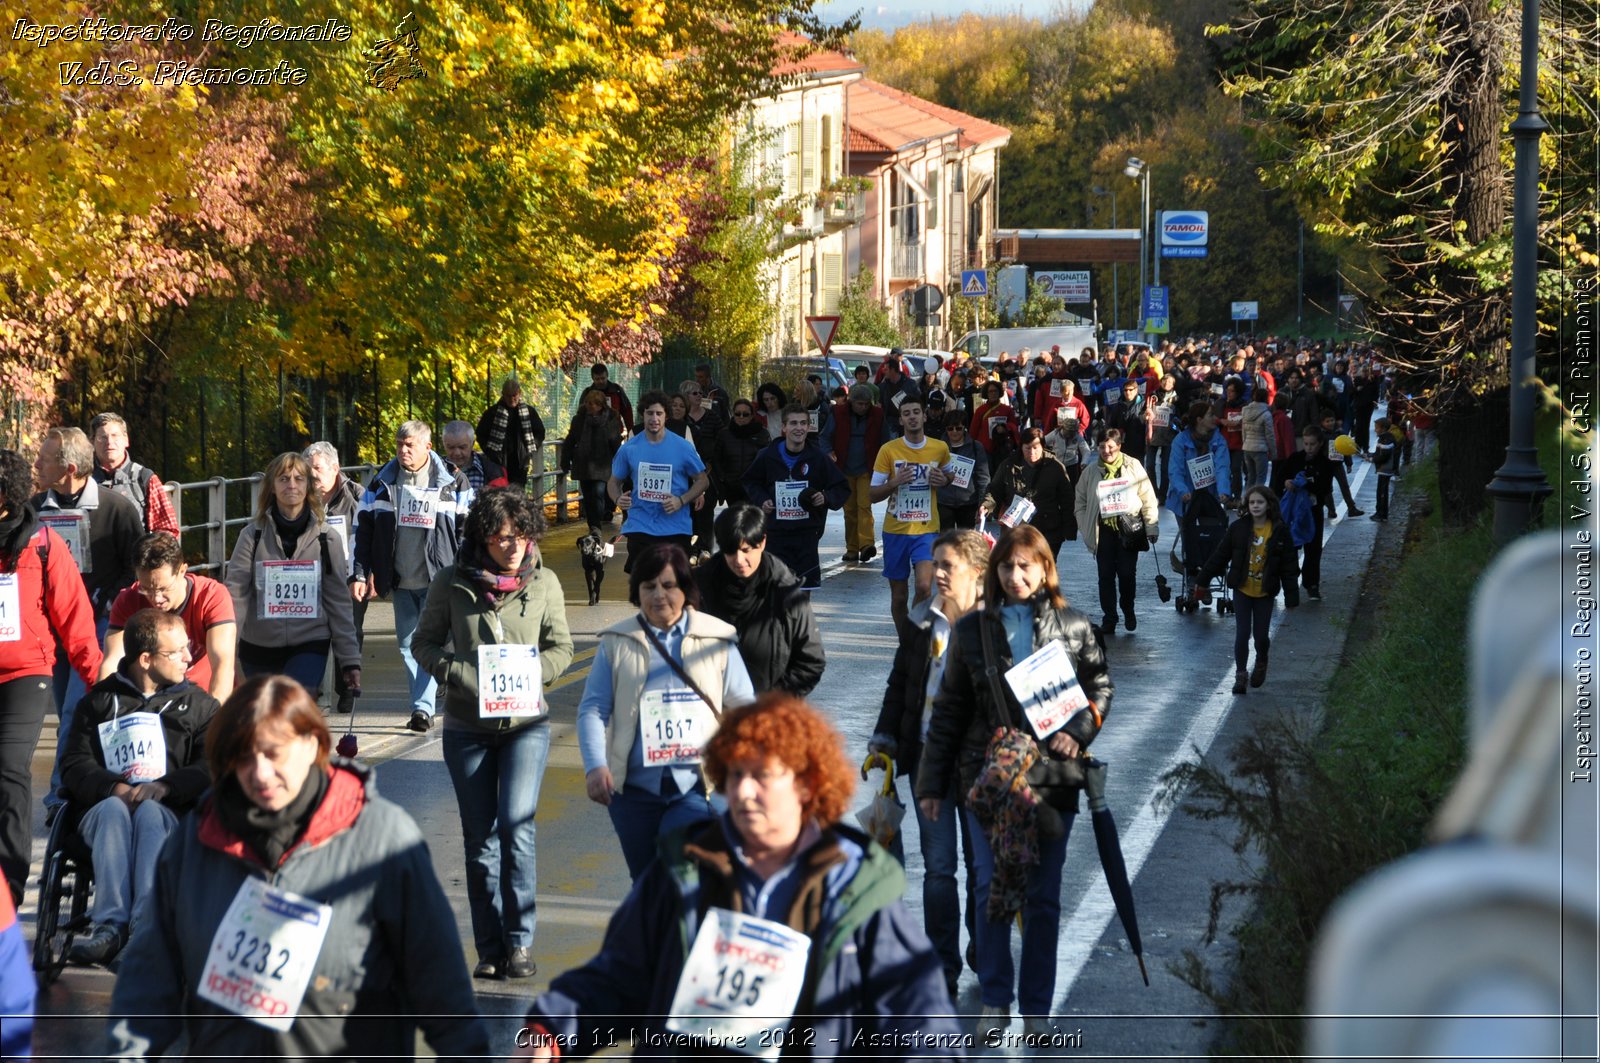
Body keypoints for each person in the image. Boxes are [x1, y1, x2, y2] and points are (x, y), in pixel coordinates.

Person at [519, 694, 961, 1060]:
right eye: (735, 776)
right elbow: (618, 977)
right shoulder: (686, 869)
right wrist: (549, 1031)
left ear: (806, 786)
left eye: (762, 777)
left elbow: (919, 1020)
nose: (744, 792)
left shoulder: (854, 885)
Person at [106, 675, 490, 1059]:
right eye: (243, 756)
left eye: (274, 753)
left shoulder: (384, 839)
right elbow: (149, 980)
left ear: (312, 746)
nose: (259, 772)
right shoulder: (196, 840)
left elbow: (440, 982)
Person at [917, 525, 1113, 1038]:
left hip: (1051, 778)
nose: (1016, 575)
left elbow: (1100, 684)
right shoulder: (971, 631)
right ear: (994, 572)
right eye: (1007, 566)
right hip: (989, 778)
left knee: (1043, 898)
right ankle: (996, 1002)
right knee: (989, 890)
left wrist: (1080, 729)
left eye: (1027, 565)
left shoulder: (1074, 625)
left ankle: (1037, 1011)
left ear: (1046, 569)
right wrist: (931, 786)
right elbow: (949, 713)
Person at [413, 488, 574, 981]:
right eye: (503, 538)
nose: (513, 547)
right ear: (483, 538)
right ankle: (489, 947)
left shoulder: (544, 583)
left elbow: (561, 647)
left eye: (521, 537)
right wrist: (457, 672)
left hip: (526, 727)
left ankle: (521, 942)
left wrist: (534, 672)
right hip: (467, 728)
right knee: (480, 840)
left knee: (517, 828)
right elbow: (423, 643)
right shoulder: (451, 582)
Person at [576, 544, 754, 879]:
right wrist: (595, 765)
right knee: (646, 886)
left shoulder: (716, 638)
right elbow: (593, 709)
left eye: (669, 586)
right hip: (633, 793)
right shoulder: (617, 642)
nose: (659, 595)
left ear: (685, 589)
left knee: (683, 877)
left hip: (698, 788)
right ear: (637, 591)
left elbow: (745, 707)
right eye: (648, 587)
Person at [60, 608, 219, 966]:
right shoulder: (98, 703)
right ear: (145, 659)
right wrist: (112, 788)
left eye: (186, 647)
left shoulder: (200, 707)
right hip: (104, 813)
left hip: (170, 813)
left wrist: (165, 787)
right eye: (176, 651)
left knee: (148, 811)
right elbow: (74, 764)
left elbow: (210, 766)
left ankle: (146, 929)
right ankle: (109, 928)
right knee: (117, 810)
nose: (188, 657)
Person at [870, 529, 987, 1000]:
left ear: (978, 575)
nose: (936, 574)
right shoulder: (922, 623)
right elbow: (900, 684)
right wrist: (884, 741)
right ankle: (944, 965)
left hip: (980, 769)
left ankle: (985, 943)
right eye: (935, 564)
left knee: (983, 868)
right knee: (939, 869)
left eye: (947, 567)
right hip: (926, 766)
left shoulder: (999, 629)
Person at [0, 448, 100, 905]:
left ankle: (10, 881)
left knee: (8, 770)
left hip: (25, 672)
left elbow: (75, 618)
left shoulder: (42, 543)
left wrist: (97, 680)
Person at [33, 425, 142, 820]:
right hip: (50, 625)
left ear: (70, 468)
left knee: (78, 707)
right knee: (66, 712)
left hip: (97, 625)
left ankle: (60, 795)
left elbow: (136, 564)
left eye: (45, 459)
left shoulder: (117, 509)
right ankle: (88, 780)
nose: (37, 464)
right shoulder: (35, 509)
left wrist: (108, 596)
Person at [354, 421, 472, 732]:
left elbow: (468, 533)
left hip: (439, 579)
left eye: (410, 445)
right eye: (399, 444)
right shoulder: (382, 481)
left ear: (427, 447)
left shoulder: (453, 482)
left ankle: (422, 708)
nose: (403, 450)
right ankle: (424, 701)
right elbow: (363, 530)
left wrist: (466, 574)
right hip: (400, 580)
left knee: (429, 643)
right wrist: (360, 572)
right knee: (408, 646)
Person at [225, 452, 363, 700]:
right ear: (272, 487)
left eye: (299, 479)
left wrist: (350, 660)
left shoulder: (327, 538)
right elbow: (236, 594)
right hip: (258, 646)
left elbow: (338, 601)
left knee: (293, 706)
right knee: (265, 718)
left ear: (309, 486)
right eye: (284, 479)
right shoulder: (251, 536)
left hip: (309, 642)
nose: (291, 485)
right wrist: (225, 650)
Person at [696, 504, 826, 697]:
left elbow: (811, 660)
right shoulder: (697, 587)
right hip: (711, 713)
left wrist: (770, 704)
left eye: (746, 550)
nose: (739, 559)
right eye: (731, 551)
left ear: (762, 542)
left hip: (768, 716)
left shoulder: (786, 591)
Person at [102, 531, 236, 702]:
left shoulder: (211, 595)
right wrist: (103, 709)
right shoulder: (128, 600)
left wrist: (212, 717)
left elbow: (222, 664)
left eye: (164, 588)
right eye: (146, 588)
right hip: (150, 699)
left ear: (182, 571)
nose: (156, 599)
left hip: (203, 697)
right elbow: (112, 661)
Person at [1196, 485, 1300, 694]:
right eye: (1252, 502)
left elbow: (1289, 565)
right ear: (1247, 505)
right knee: (1242, 634)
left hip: (1265, 592)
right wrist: (1202, 579)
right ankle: (1241, 675)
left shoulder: (1279, 530)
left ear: (1269, 504)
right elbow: (1220, 555)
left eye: (1260, 502)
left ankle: (1262, 659)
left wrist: (1291, 595)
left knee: (1261, 636)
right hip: (1242, 590)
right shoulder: (1239, 528)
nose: (1255, 506)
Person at [741, 403, 849, 589]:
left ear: (808, 427)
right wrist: (762, 500)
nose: (798, 428)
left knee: (801, 597)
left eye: (802, 423)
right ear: (784, 427)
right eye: (793, 423)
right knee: (775, 594)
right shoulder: (767, 456)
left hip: (806, 537)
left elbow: (842, 487)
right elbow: (750, 481)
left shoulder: (818, 458)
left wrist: (825, 497)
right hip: (775, 535)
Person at [870, 396, 952, 638]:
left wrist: (943, 480)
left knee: (924, 587)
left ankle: (915, 638)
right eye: (907, 413)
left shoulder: (940, 448)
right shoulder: (889, 450)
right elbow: (872, 494)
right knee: (899, 598)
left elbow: (950, 476)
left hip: (926, 530)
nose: (913, 416)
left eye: (917, 412)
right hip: (896, 531)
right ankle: (906, 640)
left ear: (924, 416)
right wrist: (894, 482)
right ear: (901, 419)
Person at [609, 390, 711, 573]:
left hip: (675, 528)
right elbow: (613, 482)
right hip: (640, 524)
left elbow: (702, 481)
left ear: (666, 416)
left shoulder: (682, 447)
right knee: (644, 587)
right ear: (643, 414)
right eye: (650, 413)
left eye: (659, 413)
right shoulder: (629, 449)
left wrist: (681, 500)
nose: (654, 418)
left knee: (672, 586)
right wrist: (617, 499)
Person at [1074, 428, 1161, 635]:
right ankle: (1109, 618)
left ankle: (1128, 609)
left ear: (1119, 446)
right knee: (1105, 576)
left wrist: (1152, 526)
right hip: (1102, 532)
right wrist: (1085, 527)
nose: (1106, 451)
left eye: (1111, 446)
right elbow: (1080, 502)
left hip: (1129, 530)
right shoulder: (1090, 472)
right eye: (1102, 447)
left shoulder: (1133, 466)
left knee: (1126, 574)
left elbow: (1148, 497)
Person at [304, 441, 365, 713]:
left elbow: (368, 538)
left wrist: (366, 573)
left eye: (317, 468)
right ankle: (316, 691)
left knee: (349, 629)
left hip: (350, 575)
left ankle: (346, 686)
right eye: (308, 469)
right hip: (311, 575)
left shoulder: (357, 496)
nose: (312, 474)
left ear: (335, 468)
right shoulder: (301, 496)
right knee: (314, 631)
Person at [984, 427, 1073, 559]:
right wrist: (986, 506)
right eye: (1027, 448)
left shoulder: (1056, 467)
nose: (1032, 452)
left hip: (1048, 530)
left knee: (1044, 572)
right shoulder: (1008, 465)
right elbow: (995, 490)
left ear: (1043, 446)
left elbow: (1067, 499)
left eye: (1036, 447)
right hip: (1017, 529)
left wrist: (1069, 529)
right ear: (1021, 447)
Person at [89, 412, 180, 534]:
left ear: (126, 440)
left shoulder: (145, 478)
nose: (109, 442)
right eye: (102, 437)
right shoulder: (82, 479)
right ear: (92, 442)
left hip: (135, 551)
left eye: (115, 436)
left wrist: (151, 549)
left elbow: (167, 530)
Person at [1272, 425, 1335, 600]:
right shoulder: (1295, 459)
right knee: (1288, 548)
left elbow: (1325, 488)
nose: (1309, 448)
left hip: (1313, 511)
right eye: (1306, 444)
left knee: (1313, 549)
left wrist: (1306, 484)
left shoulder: (1325, 464)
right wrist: (1287, 483)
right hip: (1293, 512)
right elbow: (1279, 479)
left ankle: (1311, 583)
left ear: (1320, 444)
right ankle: (1285, 582)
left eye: (1312, 444)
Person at [830, 383, 885, 565]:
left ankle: (867, 545)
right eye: (859, 404)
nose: (862, 407)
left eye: (866, 404)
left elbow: (887, 439)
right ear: (851, 402)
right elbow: (824, 437)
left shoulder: (878, 415)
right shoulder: (837, 413)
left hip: (867, 469)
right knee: (849, 510)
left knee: (864, 506)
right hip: (844, 468)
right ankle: (852, 549)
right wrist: (829, 452)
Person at [561, 389, 624, 534]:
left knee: (598, 494)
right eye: (588, 404)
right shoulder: (579, 420)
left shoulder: (610, 420)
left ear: (601, 405)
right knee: (588, 497)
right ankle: (593, 525)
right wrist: (565, 460)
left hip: (603, 465)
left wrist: (621, 465)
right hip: (584, 464)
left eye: (594, 404)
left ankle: (596, 524)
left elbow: (615, 442)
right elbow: (570, 440)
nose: (591, 407)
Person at [1166, 400, 1234, 519]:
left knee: (1210, 535)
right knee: (1188, 536)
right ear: (1199, 420)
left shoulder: (1219, 440)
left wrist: (1223, 490)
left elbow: (1222, 467)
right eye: (1211, 415)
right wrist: (1182, 491)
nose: (1215, 418)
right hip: (1185, 499)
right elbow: (1175, 470)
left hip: (1211, 498)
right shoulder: (1180, 440)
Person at [476, 377, 547, 487]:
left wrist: (530, 449)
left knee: (517, 494)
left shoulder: (529, 412)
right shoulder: (492, 413)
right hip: (498, 462)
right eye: (508, 396)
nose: (512, 399)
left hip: (520, 463)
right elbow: (481, 433)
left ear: (519, 393)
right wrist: (489, 451)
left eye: (514, 395)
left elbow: (540, 432)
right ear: (503, 395)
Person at [710, 397, 766, 507]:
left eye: (745, 414)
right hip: (731, 486)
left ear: (751, 415)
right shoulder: (724, 434)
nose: (741, 417)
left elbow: (766, 458)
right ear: (733, 414)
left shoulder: (761, 433)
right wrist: (723, 478)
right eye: (737, 414)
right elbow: (716, 459)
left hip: (754, 486)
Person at [937, 416, 991, 530]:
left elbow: (983, 478)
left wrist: (982, 504)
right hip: (943, 502)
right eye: (950, 428)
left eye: (958, 428)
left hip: (968, 503)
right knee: (945, 543)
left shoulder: (976, 447)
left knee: (966, 543)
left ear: (964, 428)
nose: (954, 431)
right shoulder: (937, 447)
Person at [441, 420, 510, 491]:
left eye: (462, 447)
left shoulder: (494, 472)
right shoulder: (435, 469)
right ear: (443, 444)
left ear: (472, 444)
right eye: (451, 447)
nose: (457, 453)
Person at [1146, 373, 1180, 500]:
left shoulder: (1177, 398)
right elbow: (1145, 412)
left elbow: (1181, 417)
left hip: (1169, 436)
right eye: (1165, 381)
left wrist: (1175, 422)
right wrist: (1147, 414)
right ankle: (1154, 492)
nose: (1167, 384)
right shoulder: (1152, 396)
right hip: (1153, 434)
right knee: (1149, 465)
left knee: (1165, 468)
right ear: (1161, 382)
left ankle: (1162, 495)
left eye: (1170, 382)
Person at [581, 362, 634, 436]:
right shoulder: (587, 393)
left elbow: (627, 411)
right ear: (593, 378)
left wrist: (630, 431)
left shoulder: (617, 391)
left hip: (614, 433)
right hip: (593, 433)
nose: (600, 381)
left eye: (603, 378)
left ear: (607, 376)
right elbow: (581, 414)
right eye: (597, 379)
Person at [1238, 385, 1275, 491]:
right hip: (1260, 449)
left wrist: (1244, 443)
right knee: (1261, 478)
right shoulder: (1267, 414)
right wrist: (1273, 452)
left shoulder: (1245, 411)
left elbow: (1243, 431)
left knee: (1251, 477)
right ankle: (1258, 500)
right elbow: (1270, 435)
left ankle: (1246, 501)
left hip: (1247, 447)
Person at [877, 354, 921, 439]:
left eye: (886, 369)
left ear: (892, 370)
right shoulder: (883, 387)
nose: (884, 372)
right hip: (890, 421)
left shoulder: (910, 384)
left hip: (907, 419)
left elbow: (918, 400)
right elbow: (880, 404)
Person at [1367, 417, 1399, 520]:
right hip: (1383, 469)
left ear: (1384, 428)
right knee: (1380, 491)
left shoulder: (1386, 440)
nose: (1375, 430)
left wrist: (1373, 459)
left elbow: (1383, 456)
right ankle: (1379, 512)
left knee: (1382, 492)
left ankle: (1382, 514)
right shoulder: (1384, 438)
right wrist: (1371, 455)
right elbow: (1379, 453)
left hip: (1385, 469)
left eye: (1377, 428)